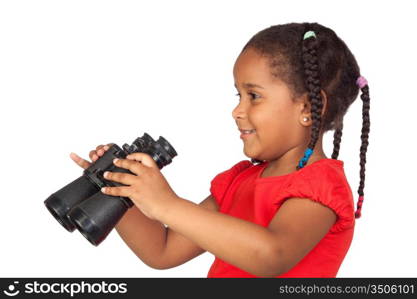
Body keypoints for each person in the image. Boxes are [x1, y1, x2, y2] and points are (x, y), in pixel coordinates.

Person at [70, 22, 371, 278]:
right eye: (238, 95)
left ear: (306, 107)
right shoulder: (237, 183)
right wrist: (121, 188)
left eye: (253, 95)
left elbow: (272, 255)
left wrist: (167, 204)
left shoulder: (320, 186)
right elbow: (162, 250)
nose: (237, 111)